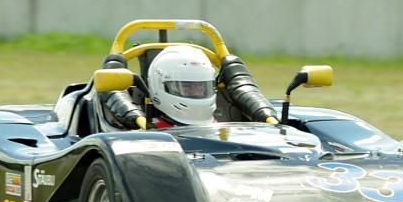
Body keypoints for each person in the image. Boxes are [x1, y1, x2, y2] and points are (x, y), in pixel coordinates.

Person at [100, 44, 279, 129]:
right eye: (186, 87)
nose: (195, 93)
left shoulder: (226, 128)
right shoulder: (144, 132)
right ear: (160, 87)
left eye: (200, 87)